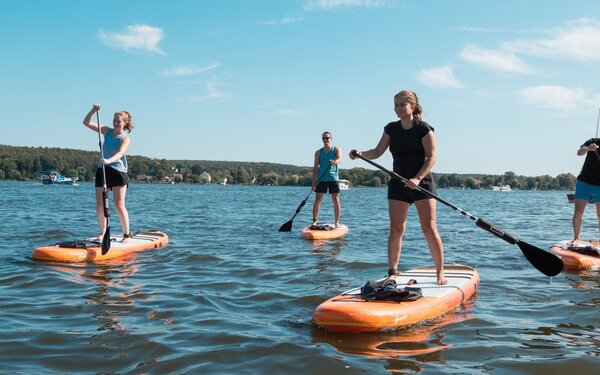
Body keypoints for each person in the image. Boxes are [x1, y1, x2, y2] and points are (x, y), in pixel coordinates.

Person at [349, 90, 447, 285]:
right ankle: (393, 271)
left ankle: (440, 272)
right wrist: (360, 154)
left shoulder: (424, 129)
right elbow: (377, 152)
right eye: (395, 105)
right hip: (398, 182)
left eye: (402, 105)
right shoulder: (391, 129)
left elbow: (432, 157)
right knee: (396, 229)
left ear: (413, 106)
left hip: (422, 182)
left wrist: (418, 178)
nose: (398, 108)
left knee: (428, 228)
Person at [83, 104, 134, 241]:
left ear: (125, 123)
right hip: (103, 169)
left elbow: (120, 153)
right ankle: (102, 234)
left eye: (119, 121)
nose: (116, 123)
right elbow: (86, 122)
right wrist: (93, 110)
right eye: (114, 120)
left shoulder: (125, 138)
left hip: (118, 172)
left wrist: (109, 160)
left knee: (118, 204)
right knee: (100, 204)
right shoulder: (106, 130)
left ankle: (126, 235)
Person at [569, 137, 600, 246]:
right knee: (578, 212)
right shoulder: (593, 141)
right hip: (584, 183)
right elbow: (579, 152)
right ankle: (576, 238)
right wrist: (588, 149)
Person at [312, 131, 342, 228]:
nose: (326, 140)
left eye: (327, 138)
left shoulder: (336, 149)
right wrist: (313, 183)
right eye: (324, 138)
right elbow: (315, 168)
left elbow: (339, 158)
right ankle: (315, 221)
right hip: (321, 179)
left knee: (335, 200)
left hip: (333, 178)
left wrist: (335, 162)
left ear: (331, 139)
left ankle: (337, 222)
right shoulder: (318, 153)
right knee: (318, 200)